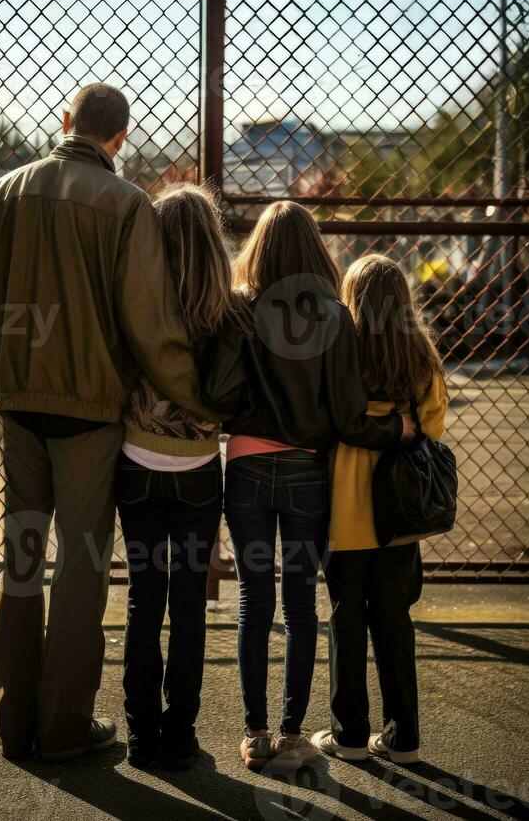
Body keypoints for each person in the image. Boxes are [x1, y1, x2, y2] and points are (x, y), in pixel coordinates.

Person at [0, 83, 211, 763]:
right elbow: (150, 328)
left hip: (19, 405)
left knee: (21, 558)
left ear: (65, 121)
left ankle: (12, 723)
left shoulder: (5, 192)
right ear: (120, 139)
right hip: (90, 415)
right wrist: (202, 399)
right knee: (82, 567)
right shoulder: (128, 205)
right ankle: (64, 724)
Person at [201, 202, 416, 771]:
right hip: (306, 475)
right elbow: (349, 418)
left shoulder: (239, 311)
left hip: (246, 468)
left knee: (253, 601)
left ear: (260, 249)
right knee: (300, 605)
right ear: (313, 248)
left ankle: (255, 732)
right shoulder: (333, 315)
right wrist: (395, 427)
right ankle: (294, 733)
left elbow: (218, 395)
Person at [115, 184, 247, 770]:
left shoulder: (139, 293)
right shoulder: (227, 300)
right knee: (189, 603)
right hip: (197, 468)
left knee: (145, 600)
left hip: (137, 462)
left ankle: (140, 734)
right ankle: (180, 734)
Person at [312, 254, 448, 765]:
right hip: (400, 520)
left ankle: (348, 736)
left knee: (347, 616)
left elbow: (326, 420)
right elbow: (433, 426)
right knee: (394, 618)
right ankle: (403, 737)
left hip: (346, 514)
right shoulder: (420, 358)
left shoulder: (339, 351)